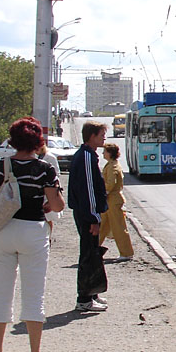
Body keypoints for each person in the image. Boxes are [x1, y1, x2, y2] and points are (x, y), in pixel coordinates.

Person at [0, 117, 65, 352]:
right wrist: (46, 201)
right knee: (34, 293)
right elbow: (58, 205)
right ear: (37, 141)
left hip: (3, 231)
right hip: (33, 232)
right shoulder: (44, 168)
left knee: (1, 293)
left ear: (13, 140)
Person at [68, 122, 109, 312]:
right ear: (91, 136)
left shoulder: (89, 155)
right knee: (88, 256)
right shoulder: (85, 157)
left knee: (93, 254)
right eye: (101, 134)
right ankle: (84, 299)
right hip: (87, 215)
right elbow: (88, 190)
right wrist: (93, 217)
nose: (104, 138)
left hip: (88, 213)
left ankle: (92, 294)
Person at [98, 142, 134, 262]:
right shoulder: (111, 164)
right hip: (109, 201)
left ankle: (126, 252)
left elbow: (110, 183)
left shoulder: (113, 166)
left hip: (113, 200)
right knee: (102, 225)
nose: (103, 153)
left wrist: (103, 191)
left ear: (110, 153)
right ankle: (93, 249)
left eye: (105, 151)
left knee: (118, 227)